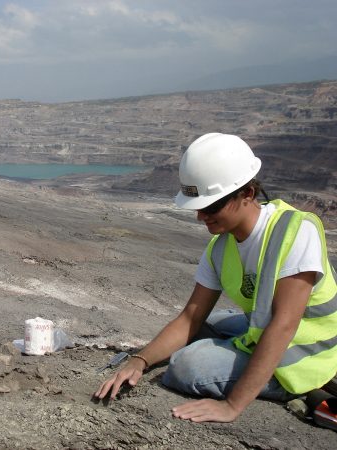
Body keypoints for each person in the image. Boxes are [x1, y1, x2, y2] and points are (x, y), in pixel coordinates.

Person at [94, 132, 337, 423]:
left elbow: (283, 325)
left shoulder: (296, 231)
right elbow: (189, 319)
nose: (201, 217)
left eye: (211, 207)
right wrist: (139, 360)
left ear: (247, 193)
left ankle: (297, 387)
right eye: (198, 208)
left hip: (307, 354)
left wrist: (232, 405)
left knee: (186, 366)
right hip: (264, 330)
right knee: (206, 324)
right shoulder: (221, 247)